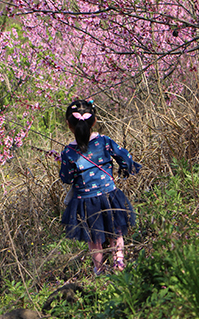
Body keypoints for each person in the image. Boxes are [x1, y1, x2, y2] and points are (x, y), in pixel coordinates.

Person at [59, 99, 141, 275]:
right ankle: (119, 264)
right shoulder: (104, 141)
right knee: (116, 232)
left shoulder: (68, 152)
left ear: (69, 125)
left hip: (85, 201)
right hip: (109, 194)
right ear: (94, 121)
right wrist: (125, 170)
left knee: (94, 239)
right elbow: (124, 157)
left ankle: (99, 271)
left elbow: (66, 178)